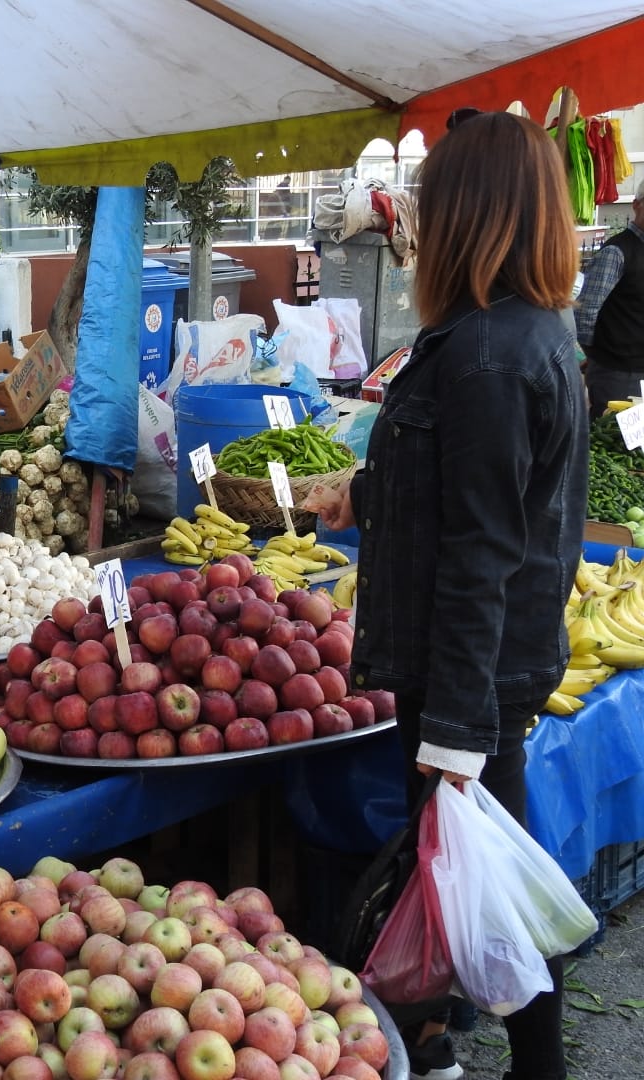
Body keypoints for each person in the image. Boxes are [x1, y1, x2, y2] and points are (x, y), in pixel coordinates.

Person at [315, 112, 586, 1080]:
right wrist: (374, 488)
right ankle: (443, 1043)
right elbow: (484, 501)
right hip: (483, 661)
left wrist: (458, 730)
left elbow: (485, 548)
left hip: (470, 671)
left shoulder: (488, 355)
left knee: (489, 880)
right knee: (472, 872)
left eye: (431, 202)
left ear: (473, 213)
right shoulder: (505, 336)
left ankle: (518, 1062)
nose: (418, 220)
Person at [576, 189, 644, 418]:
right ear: (636, 205)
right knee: (612, 441)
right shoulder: (617, 252)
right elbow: (585, 311)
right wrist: (593, 356)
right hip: (618, 373)